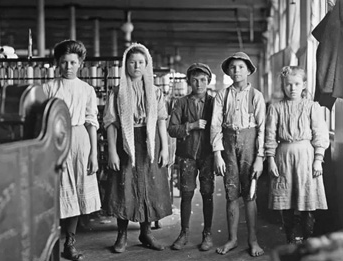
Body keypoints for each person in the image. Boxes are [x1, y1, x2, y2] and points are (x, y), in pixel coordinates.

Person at [103, 43, 172, 253]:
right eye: (132, 62)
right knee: (124, 185)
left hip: (149, 141)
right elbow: (110, 124)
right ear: (126, 65)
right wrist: (113, 151)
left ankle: (146, 232)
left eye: (141, 62)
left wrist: (164, 148)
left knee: (149, 186)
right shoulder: (117, 92)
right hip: (126, 141)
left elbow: (161, 121)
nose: (137, 66)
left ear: (147, 64)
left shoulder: (155, 91)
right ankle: (122, 235)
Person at [42, 39, 101, 261]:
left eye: (73, 62)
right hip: (54, 139)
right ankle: (49, 243)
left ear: (81, 64)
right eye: (64, 62)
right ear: (58, 63)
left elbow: (91, 122)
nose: (68, 67)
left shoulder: (87, 89)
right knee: (55, 190)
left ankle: (70, 243)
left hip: (79, 141)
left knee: (76, 191)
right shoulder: (48, 88)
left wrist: (94, 153)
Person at [265, 66, 329, 244]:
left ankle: (307, 242)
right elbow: (269, 136)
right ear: (283, 86)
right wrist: (270, 160)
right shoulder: (276, 108)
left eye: (296, 84)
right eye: (288, 85)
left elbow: (320, 134)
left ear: (304, 85)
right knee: (286, 203)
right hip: (283, 157)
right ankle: (291, 241)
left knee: (307, 202)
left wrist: (318, 159)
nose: (292, 88)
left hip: (306, 158)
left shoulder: (312, 107)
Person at [211, 52, 265, 257]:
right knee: (231, 193)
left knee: (250, 194)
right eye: (233, 67)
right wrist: (217, 153)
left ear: (249, 70)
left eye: (241, 67)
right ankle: (232, 239)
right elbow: (215, 126)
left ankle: (253, 240)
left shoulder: (256, 96)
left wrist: (260, 157)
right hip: (228, 145)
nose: (236, 70)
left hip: (250, 144)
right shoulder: (222, 95)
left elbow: (263, 128)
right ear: (228, 71)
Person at [168, 63, 215, 251]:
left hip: (208, 154)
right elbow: (171, 129)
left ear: (208, 81)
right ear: (189, 81)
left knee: (208, 194)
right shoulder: (181, 103)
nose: (199, 84)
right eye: (195, 80)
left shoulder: (214, 102)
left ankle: (208, 234)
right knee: (186, 194)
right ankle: (184, 233)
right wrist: (191, 125)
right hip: (187, 155)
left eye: (203, 80)